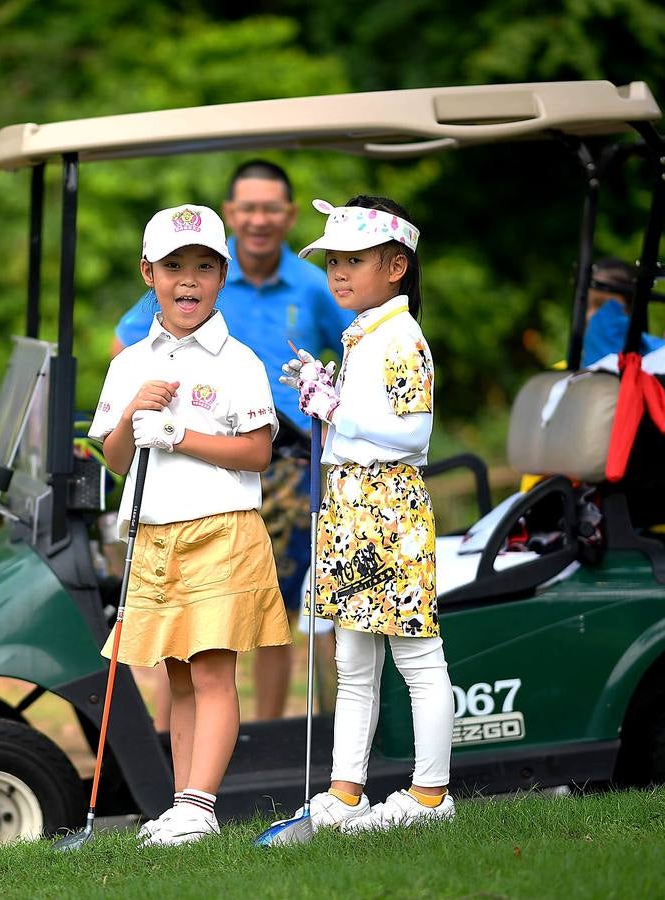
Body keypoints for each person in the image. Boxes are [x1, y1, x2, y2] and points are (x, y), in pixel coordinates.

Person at [112, 160, 351, 721]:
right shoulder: (196, 273)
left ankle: (266, 733)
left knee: (277, 608)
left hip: (290, 462)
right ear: (232, 214)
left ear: (289, 215)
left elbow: (350, 352)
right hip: (195, 458)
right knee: (188, 618)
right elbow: (126, 343)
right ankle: (177, 742)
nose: (260, 219)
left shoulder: (315, 285)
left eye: (272, 207)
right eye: (248, 207)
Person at [90, 203, 291, 846]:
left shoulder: (238, 363)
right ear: (148, 273)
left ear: (222, 275)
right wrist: (133, 417)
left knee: (211, 673)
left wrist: (179, 432)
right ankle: (183, 807)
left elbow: (259, 452)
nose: (188, 280)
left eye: (204, 266)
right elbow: (116, 459)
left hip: (221, 529)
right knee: (176, 672)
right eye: (174, 266)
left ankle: (199, 806)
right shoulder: (128, 366)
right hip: (155, 534)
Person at [280, 195, 455, 833]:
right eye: (333, 262)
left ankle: (431, 795)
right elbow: (361, 427)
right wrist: (327, 393)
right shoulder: (367, 334)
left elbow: (413, 434)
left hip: (389, 509)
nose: (339, 273)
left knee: (417, 659)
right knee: (352, 659)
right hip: (352, 507)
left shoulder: (402, 337)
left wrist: (335, 409)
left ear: (396, 266)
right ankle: (345, 794)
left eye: (355, 260)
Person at [580, 256, 665, 364]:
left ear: (630, 309)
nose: (589, 315)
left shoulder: (659, 356)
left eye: (601, 306)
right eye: (585, 307)